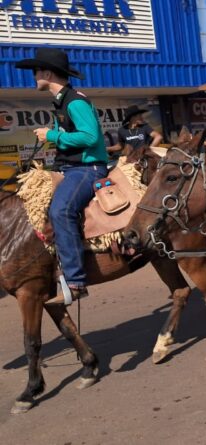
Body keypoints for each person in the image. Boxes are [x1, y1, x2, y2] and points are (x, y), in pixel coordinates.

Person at [16, 48, 109, 299]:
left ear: (48, 72)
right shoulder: (60, 102)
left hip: (87, 169)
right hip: (68, 168)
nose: (34, 76)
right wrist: (53, 134)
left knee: (61, 210)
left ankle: (76, 281)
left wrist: (52, 135)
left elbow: (91, 137)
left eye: (36, 71)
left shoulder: (75, 101)